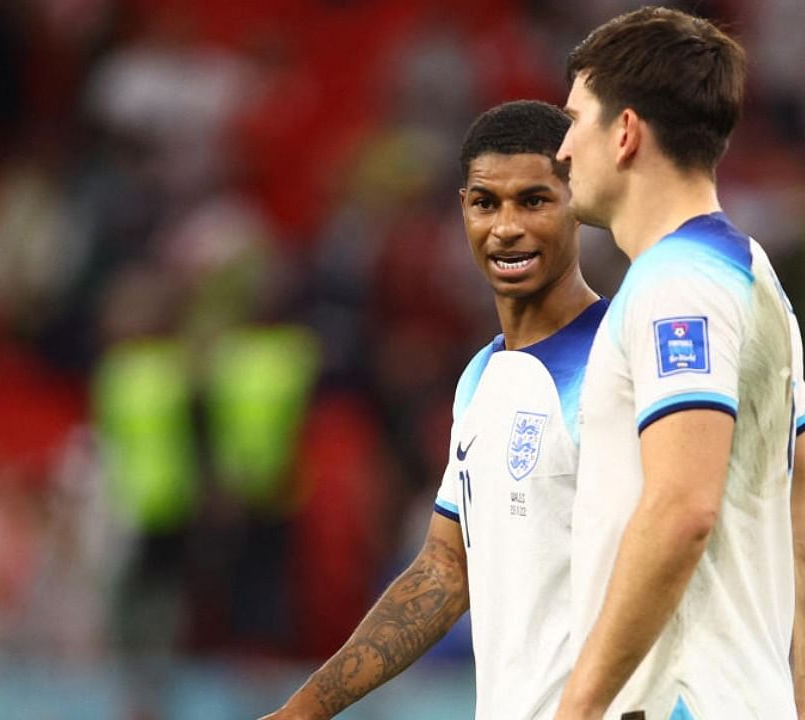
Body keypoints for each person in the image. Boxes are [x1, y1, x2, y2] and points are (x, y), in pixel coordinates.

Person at [550, 7, 805, 720]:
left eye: (574, 119)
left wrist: (577, 708)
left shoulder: (675, 287)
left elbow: (682, 508)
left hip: (675, 703)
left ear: (624, 132)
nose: (561, 148)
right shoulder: (752, 278)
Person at [259, 99, 607, 720]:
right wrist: (305, 710)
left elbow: (677, 549)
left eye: (534, 200)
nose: (506, 227)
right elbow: (446, 570)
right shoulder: (481, 379)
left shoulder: (620, 362)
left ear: (578, 200)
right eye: (485, 203)